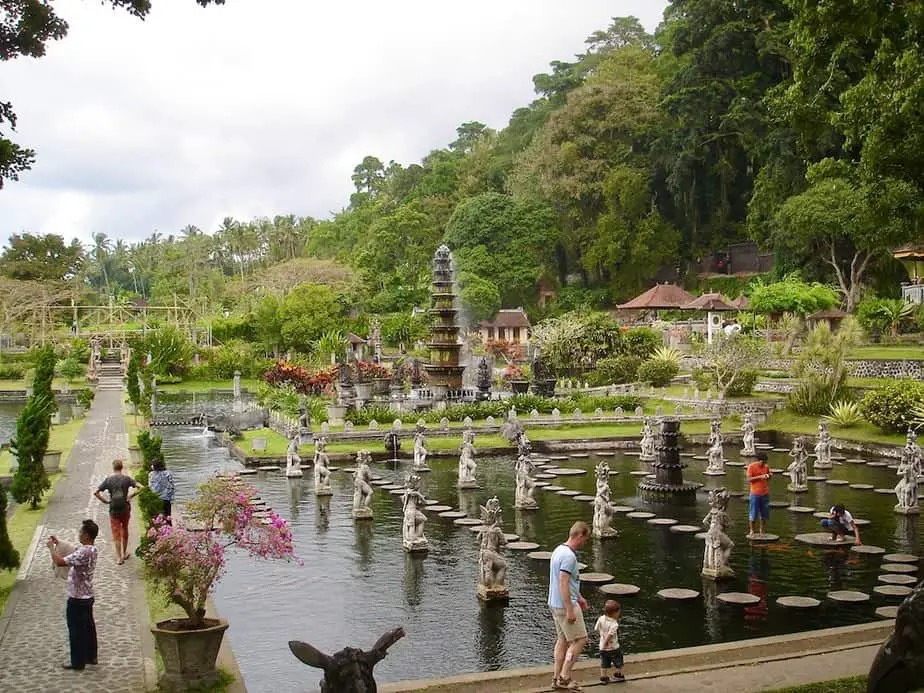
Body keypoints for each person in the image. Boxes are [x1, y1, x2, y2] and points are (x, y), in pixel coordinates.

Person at [47, 519, 99, 670]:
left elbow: (60, 562)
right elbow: (75, 551)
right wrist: (60, 542)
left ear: (87, 535)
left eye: (81, 532)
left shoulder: (83, 552)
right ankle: (91, 656)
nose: (79, 534)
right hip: (88, 595)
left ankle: (77, 662)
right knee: (89, 627)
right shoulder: (93, 550)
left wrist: (52, 548)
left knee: (75, 629)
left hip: (77, 597)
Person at [548, 521, 591, 691]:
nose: (584, 543)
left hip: (554, 603)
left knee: (563, 640)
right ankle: (565, 677)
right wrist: (569, 609)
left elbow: (569, 583)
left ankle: (556, 677)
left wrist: (580, 597)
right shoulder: (569, 556)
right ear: (580, 535)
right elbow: (563, 582)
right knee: (581, 640)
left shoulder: (558, 550)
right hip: (565, 605)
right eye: (586, 539)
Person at [94, 459, 143, 564]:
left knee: (116, 533)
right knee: (125, 529)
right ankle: (125, 553)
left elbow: (96, 492)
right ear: (122, 467)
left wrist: (105, 501)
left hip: (113, 510)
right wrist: (131, 495)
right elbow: (141, 487)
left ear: (113, 468)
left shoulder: (108, 480)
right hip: (125, 509)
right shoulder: (127, 479)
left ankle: (119, 557)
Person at [594, 600, 625, 684]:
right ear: (615, 613)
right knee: (618, 661)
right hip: (613, 647)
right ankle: (619, 675)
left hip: (602, 648)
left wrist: (602, 638)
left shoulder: (601, 618)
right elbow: (610, 635)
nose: (619, 614)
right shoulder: (614, 624)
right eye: (618, 612)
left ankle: (603, 677)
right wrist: (606, 642)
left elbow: (596, 629)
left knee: (604, 662)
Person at [746, 450, 772, 537]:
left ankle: (762, 531)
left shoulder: (766, 466)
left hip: (765, 493)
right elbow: (749, 479)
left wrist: (770, 475)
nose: (764, 463)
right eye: (763, 461)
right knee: (753, 513)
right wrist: (761, 476)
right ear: (759, 460)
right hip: (755, 493)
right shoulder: (751, 467)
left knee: (764, 514)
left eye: (765, 462)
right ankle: (752, 531)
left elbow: (768, 476)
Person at [149, 458, 176, 523]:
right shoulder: (168, 473)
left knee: (158, 518)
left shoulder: (151, 474)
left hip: (157, 498)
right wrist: (172, 498)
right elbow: (172, 487)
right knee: (168, 516)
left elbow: (151, 487)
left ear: (154, 466)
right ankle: (169, 530)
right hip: (166, 498)